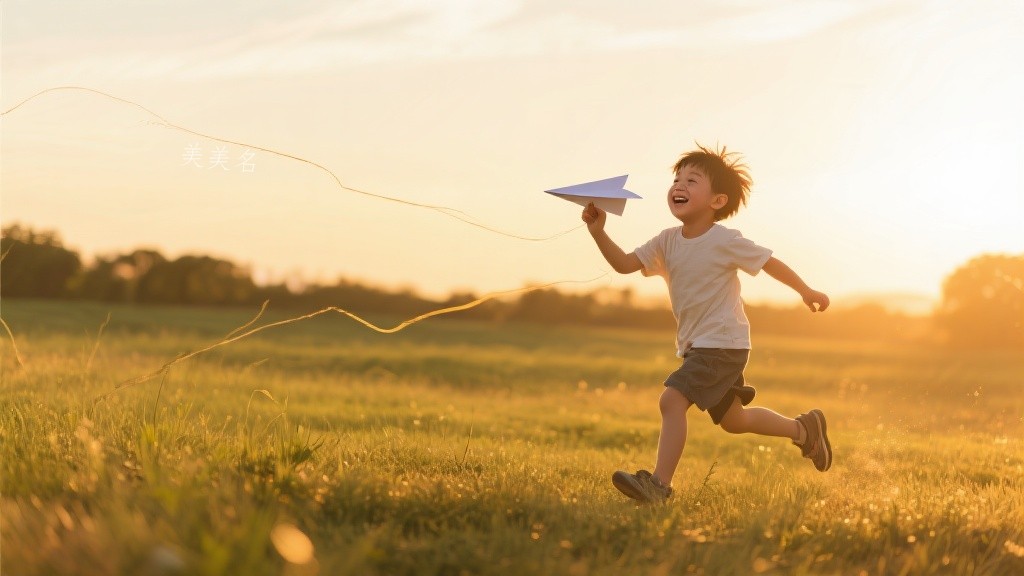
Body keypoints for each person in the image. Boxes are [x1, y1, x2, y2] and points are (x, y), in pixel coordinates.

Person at [582, 144, 832, 504]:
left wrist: (805, 289)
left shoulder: (724, 240)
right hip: (700, 346)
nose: (679, 185)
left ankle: (658, 485)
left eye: (692, 180)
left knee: (671, 401)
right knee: (734, 420)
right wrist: (598, 232)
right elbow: (623, 264)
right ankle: (803, 430)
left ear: (717, 201)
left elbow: (768, 262)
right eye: (677, 179)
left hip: (723, 343)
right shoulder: (667, 240)